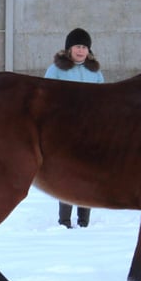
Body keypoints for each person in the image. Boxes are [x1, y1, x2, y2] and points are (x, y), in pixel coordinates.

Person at [44, 28, 104, 228]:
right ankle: (64, 222)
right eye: (77, 46)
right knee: (67, 174)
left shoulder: (95, 72)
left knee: (88, 174)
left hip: (90, 130)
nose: (81, 50)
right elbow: (46, 97)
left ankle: (84, 221)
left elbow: (104, 99)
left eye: (84, 47)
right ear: (69, 49)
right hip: (65, 130)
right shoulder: (56, 70)